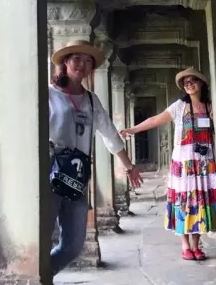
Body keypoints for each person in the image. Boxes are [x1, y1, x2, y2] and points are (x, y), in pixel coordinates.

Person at [49, 39, 143, 276]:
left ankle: (44, 274)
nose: (82, 65)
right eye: (76, 59)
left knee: (73, 245)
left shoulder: (91, 100)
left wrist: (129, 166)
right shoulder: (49, 95)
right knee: (41, 236)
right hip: (50, 170)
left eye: (88, 61)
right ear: (65, 62)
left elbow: (110, 134)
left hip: (76, 173)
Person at [120, 67, 216, 261]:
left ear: (201, 83)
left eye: (193, 81)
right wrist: (132, 130)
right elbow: (155, 120)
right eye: (186, 82)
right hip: (183, 163)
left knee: (200, 201)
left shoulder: (209, 107)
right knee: (183, 201)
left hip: (203, 163)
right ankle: (185, 245)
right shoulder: (179, 106)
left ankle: (196, 245)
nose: (189, 84)